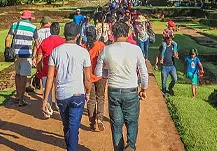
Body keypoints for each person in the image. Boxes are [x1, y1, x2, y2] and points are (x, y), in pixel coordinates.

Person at [95, 21, 149, 151]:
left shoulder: (106, 50)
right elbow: (144, 73)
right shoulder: (135, 49)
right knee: (132, 121)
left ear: (113, 34)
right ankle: (130, 145)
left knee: (116, 124)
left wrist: (107, 73)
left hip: (114, 90)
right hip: (130, 90)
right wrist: (143, 89)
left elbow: (98, 72)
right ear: (127, 33)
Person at [43, 22, 92, 151]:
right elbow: (88, 79)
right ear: (77, 36)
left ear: (64, 35)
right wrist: (88, 93)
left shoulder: (56, 51)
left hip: (61, 94)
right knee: (73, 127)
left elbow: (50, 77)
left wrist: (45, 98)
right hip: (77, 94)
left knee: (67, 127)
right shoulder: (83, 52)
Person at [5, 10, 37, 106]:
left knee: (18, 74)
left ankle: (18, 95)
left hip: (16, 54)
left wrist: (7, 50)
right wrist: (34, 55)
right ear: (29, 18)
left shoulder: (15, 25)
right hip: (26, 55)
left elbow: (7, 38)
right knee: (24, 76)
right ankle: (21, 100)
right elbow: (37, 43)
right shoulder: (33, 27)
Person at [35, 22, 65, 118]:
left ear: (51, 31)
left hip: (46, 70)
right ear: (59, 31)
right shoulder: (63, 41)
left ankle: (47, 110)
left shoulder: (45, 41)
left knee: (46, 90)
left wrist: (38, 68)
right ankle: (60, 108)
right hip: (60, 70)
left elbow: (39, 57)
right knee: (59, 90)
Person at [85, 25, 107, 131]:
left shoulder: (83, 47)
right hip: (101, 75)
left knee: (91, 99)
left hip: (88, 76)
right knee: (101, 97)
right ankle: (100, 118)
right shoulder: (101, 45)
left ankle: (92, 121)